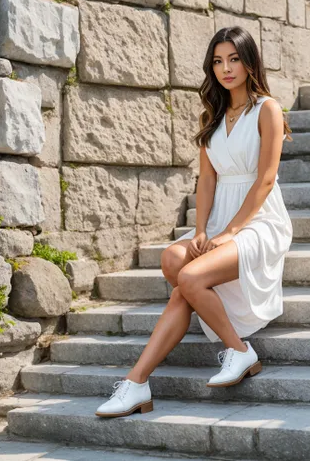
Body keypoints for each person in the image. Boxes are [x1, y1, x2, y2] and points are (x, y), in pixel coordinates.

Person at [95, 26, 293, 418]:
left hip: (260, 220)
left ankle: (234, 352)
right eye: (218, 61)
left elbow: (266, 178)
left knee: (187, 279)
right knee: (173, 260)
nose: (226, 68)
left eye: (234, 59)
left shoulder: (266, 108)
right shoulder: (214, 115)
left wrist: (232, 231)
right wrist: (202, 230)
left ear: (250, 61)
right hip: (220, 217)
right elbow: (206, 180)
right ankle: (138, 384)